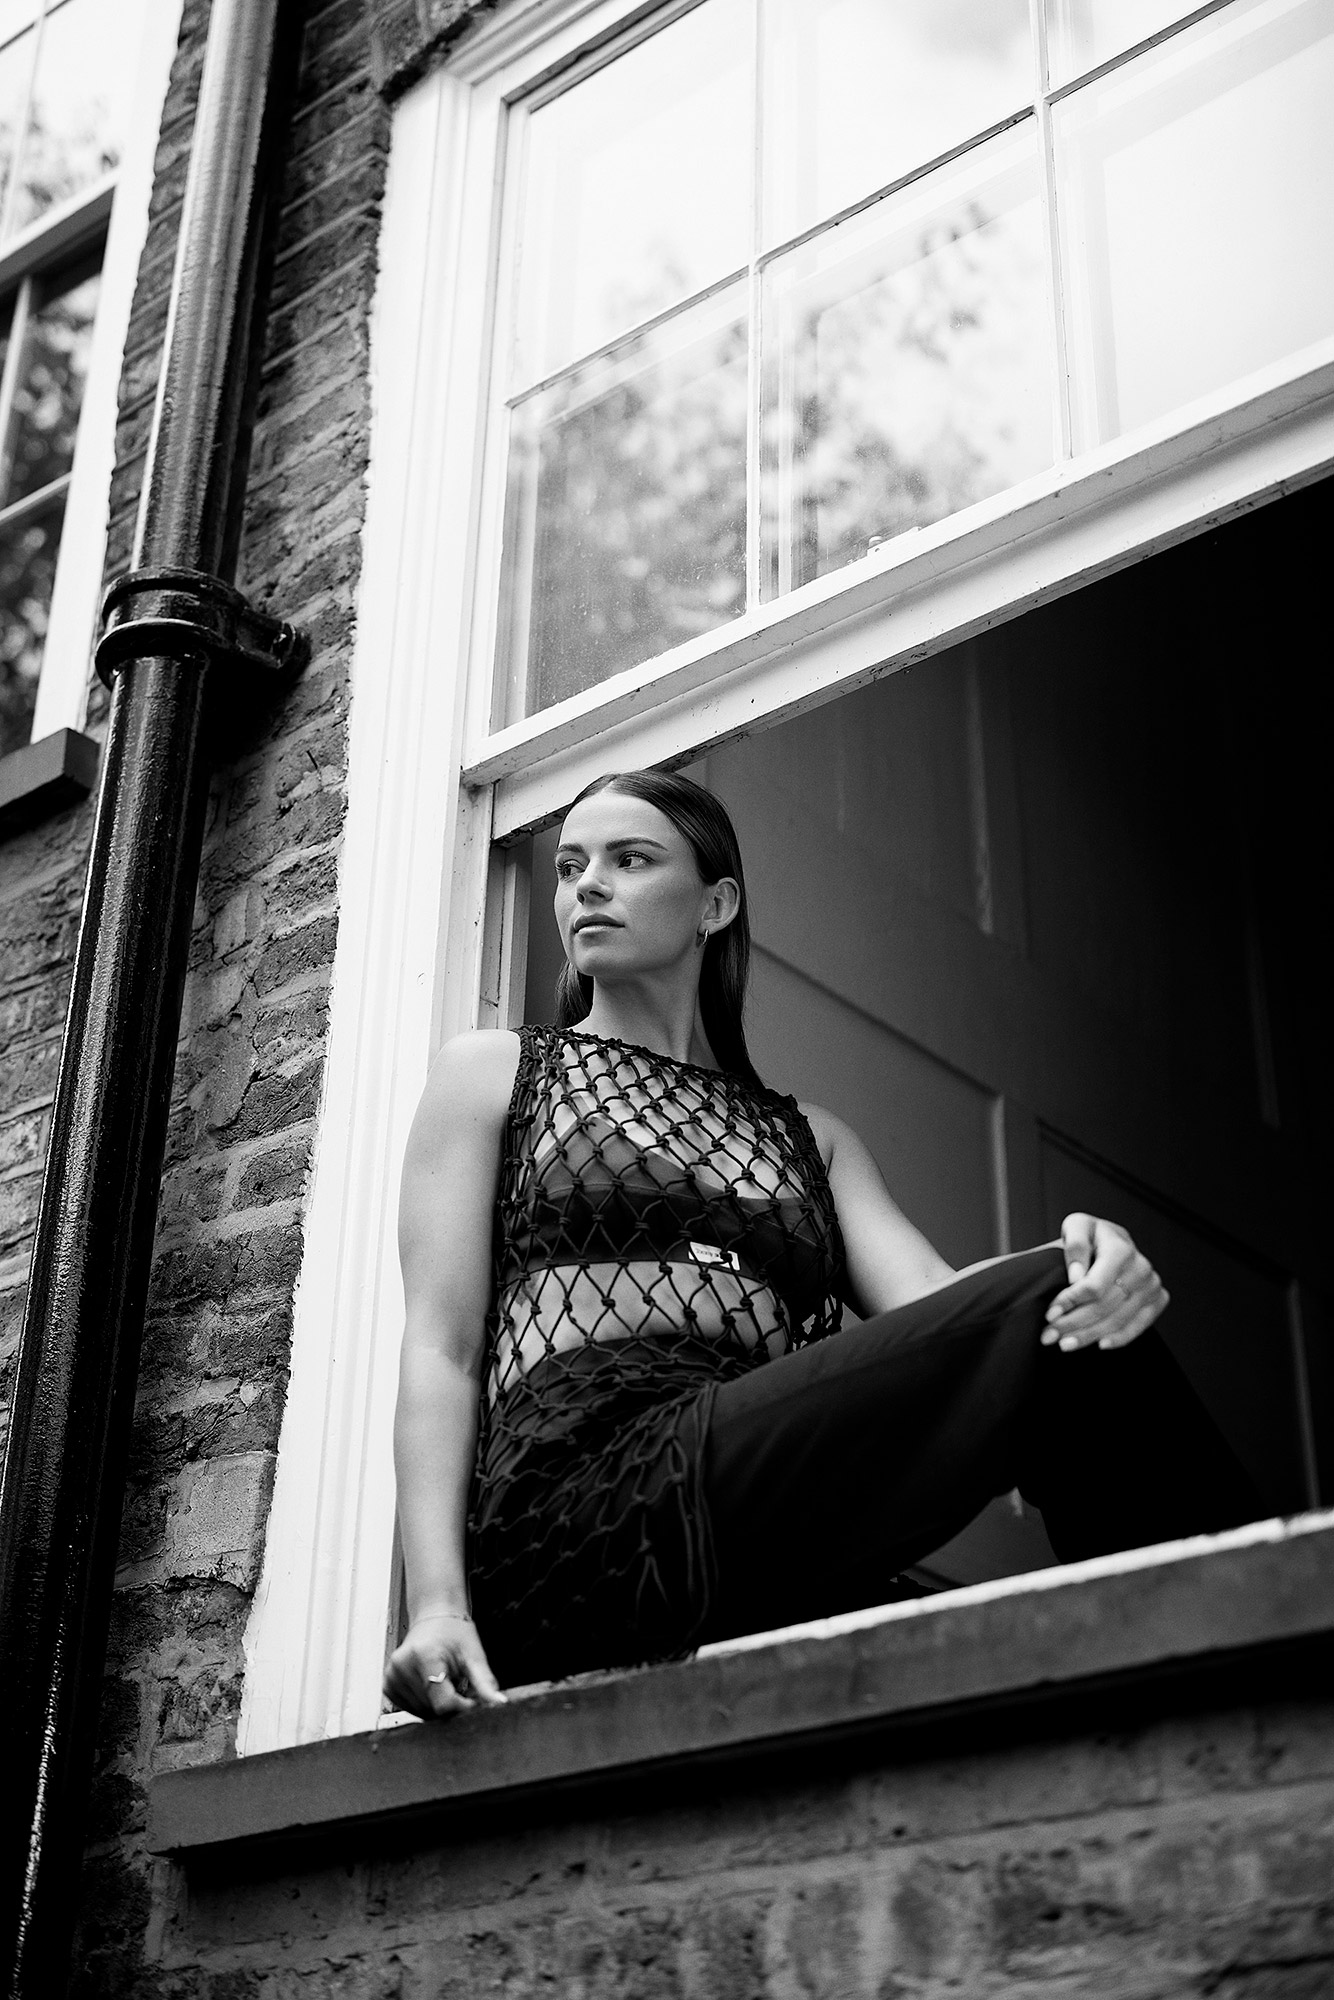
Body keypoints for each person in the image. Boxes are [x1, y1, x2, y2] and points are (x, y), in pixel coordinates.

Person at [384, 771, 1262, 1719]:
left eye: (630, 859)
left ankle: (1245, 1650)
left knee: (1072, 1310)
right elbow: (443, 1347)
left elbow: (937, 1303)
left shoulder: (813, 1137)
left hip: (746, 1521)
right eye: (569, 866)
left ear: (715, 903)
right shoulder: (500, 1071)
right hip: (576, 1522)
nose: (586, 886)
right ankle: (1269, 1636)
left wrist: (1095, 1255)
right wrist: (435, 1608)